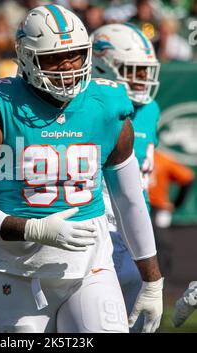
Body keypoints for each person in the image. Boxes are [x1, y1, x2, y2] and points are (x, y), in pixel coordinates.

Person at [0, 4, 163, 333]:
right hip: (15, 269)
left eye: (75, 55)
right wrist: (34, 229)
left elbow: (130, 200)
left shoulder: (107, 106)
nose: (67, 66)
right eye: (52, 57)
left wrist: (152, 280)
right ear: (26, 57)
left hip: (91, 264)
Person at [90, 23, 161, 332]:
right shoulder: (89, 106)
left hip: (135, 223)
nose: (144, 79)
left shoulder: (151, 109)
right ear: (102, 67)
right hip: (95, 223)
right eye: (135, 71)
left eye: (146, 71)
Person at [148, 149, 195, 276]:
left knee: (160, 242)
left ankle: (161, 278)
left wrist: (177, 203)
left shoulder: (160, 159)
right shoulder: (158, 158)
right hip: (144, 206)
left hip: (156, 207)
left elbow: (187, 177)